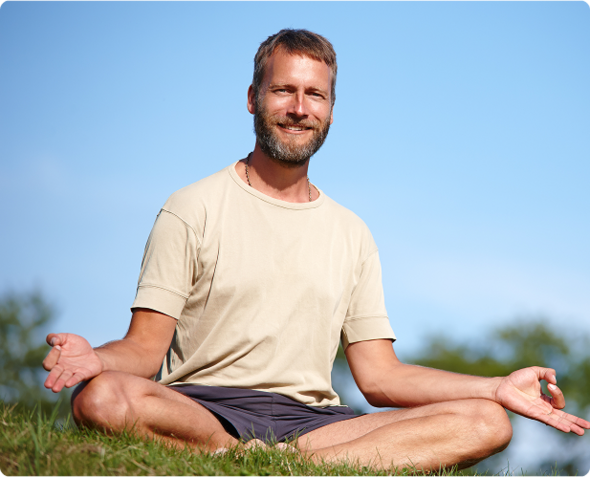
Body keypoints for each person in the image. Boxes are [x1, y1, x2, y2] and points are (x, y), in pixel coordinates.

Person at [42, 29, 589, 471]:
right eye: (284, 90)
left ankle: (280, 463)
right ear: (254, 98)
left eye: (315, 95)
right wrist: (97, 359)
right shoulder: (192, 207)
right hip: (202, 408)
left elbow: (380, 378)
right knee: (103, 397)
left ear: (330, 110)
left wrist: (497, 387)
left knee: (486, 423)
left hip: (317, 425)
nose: (299, 108)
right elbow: (143, 350)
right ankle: (241, 455)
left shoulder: (352, 232)